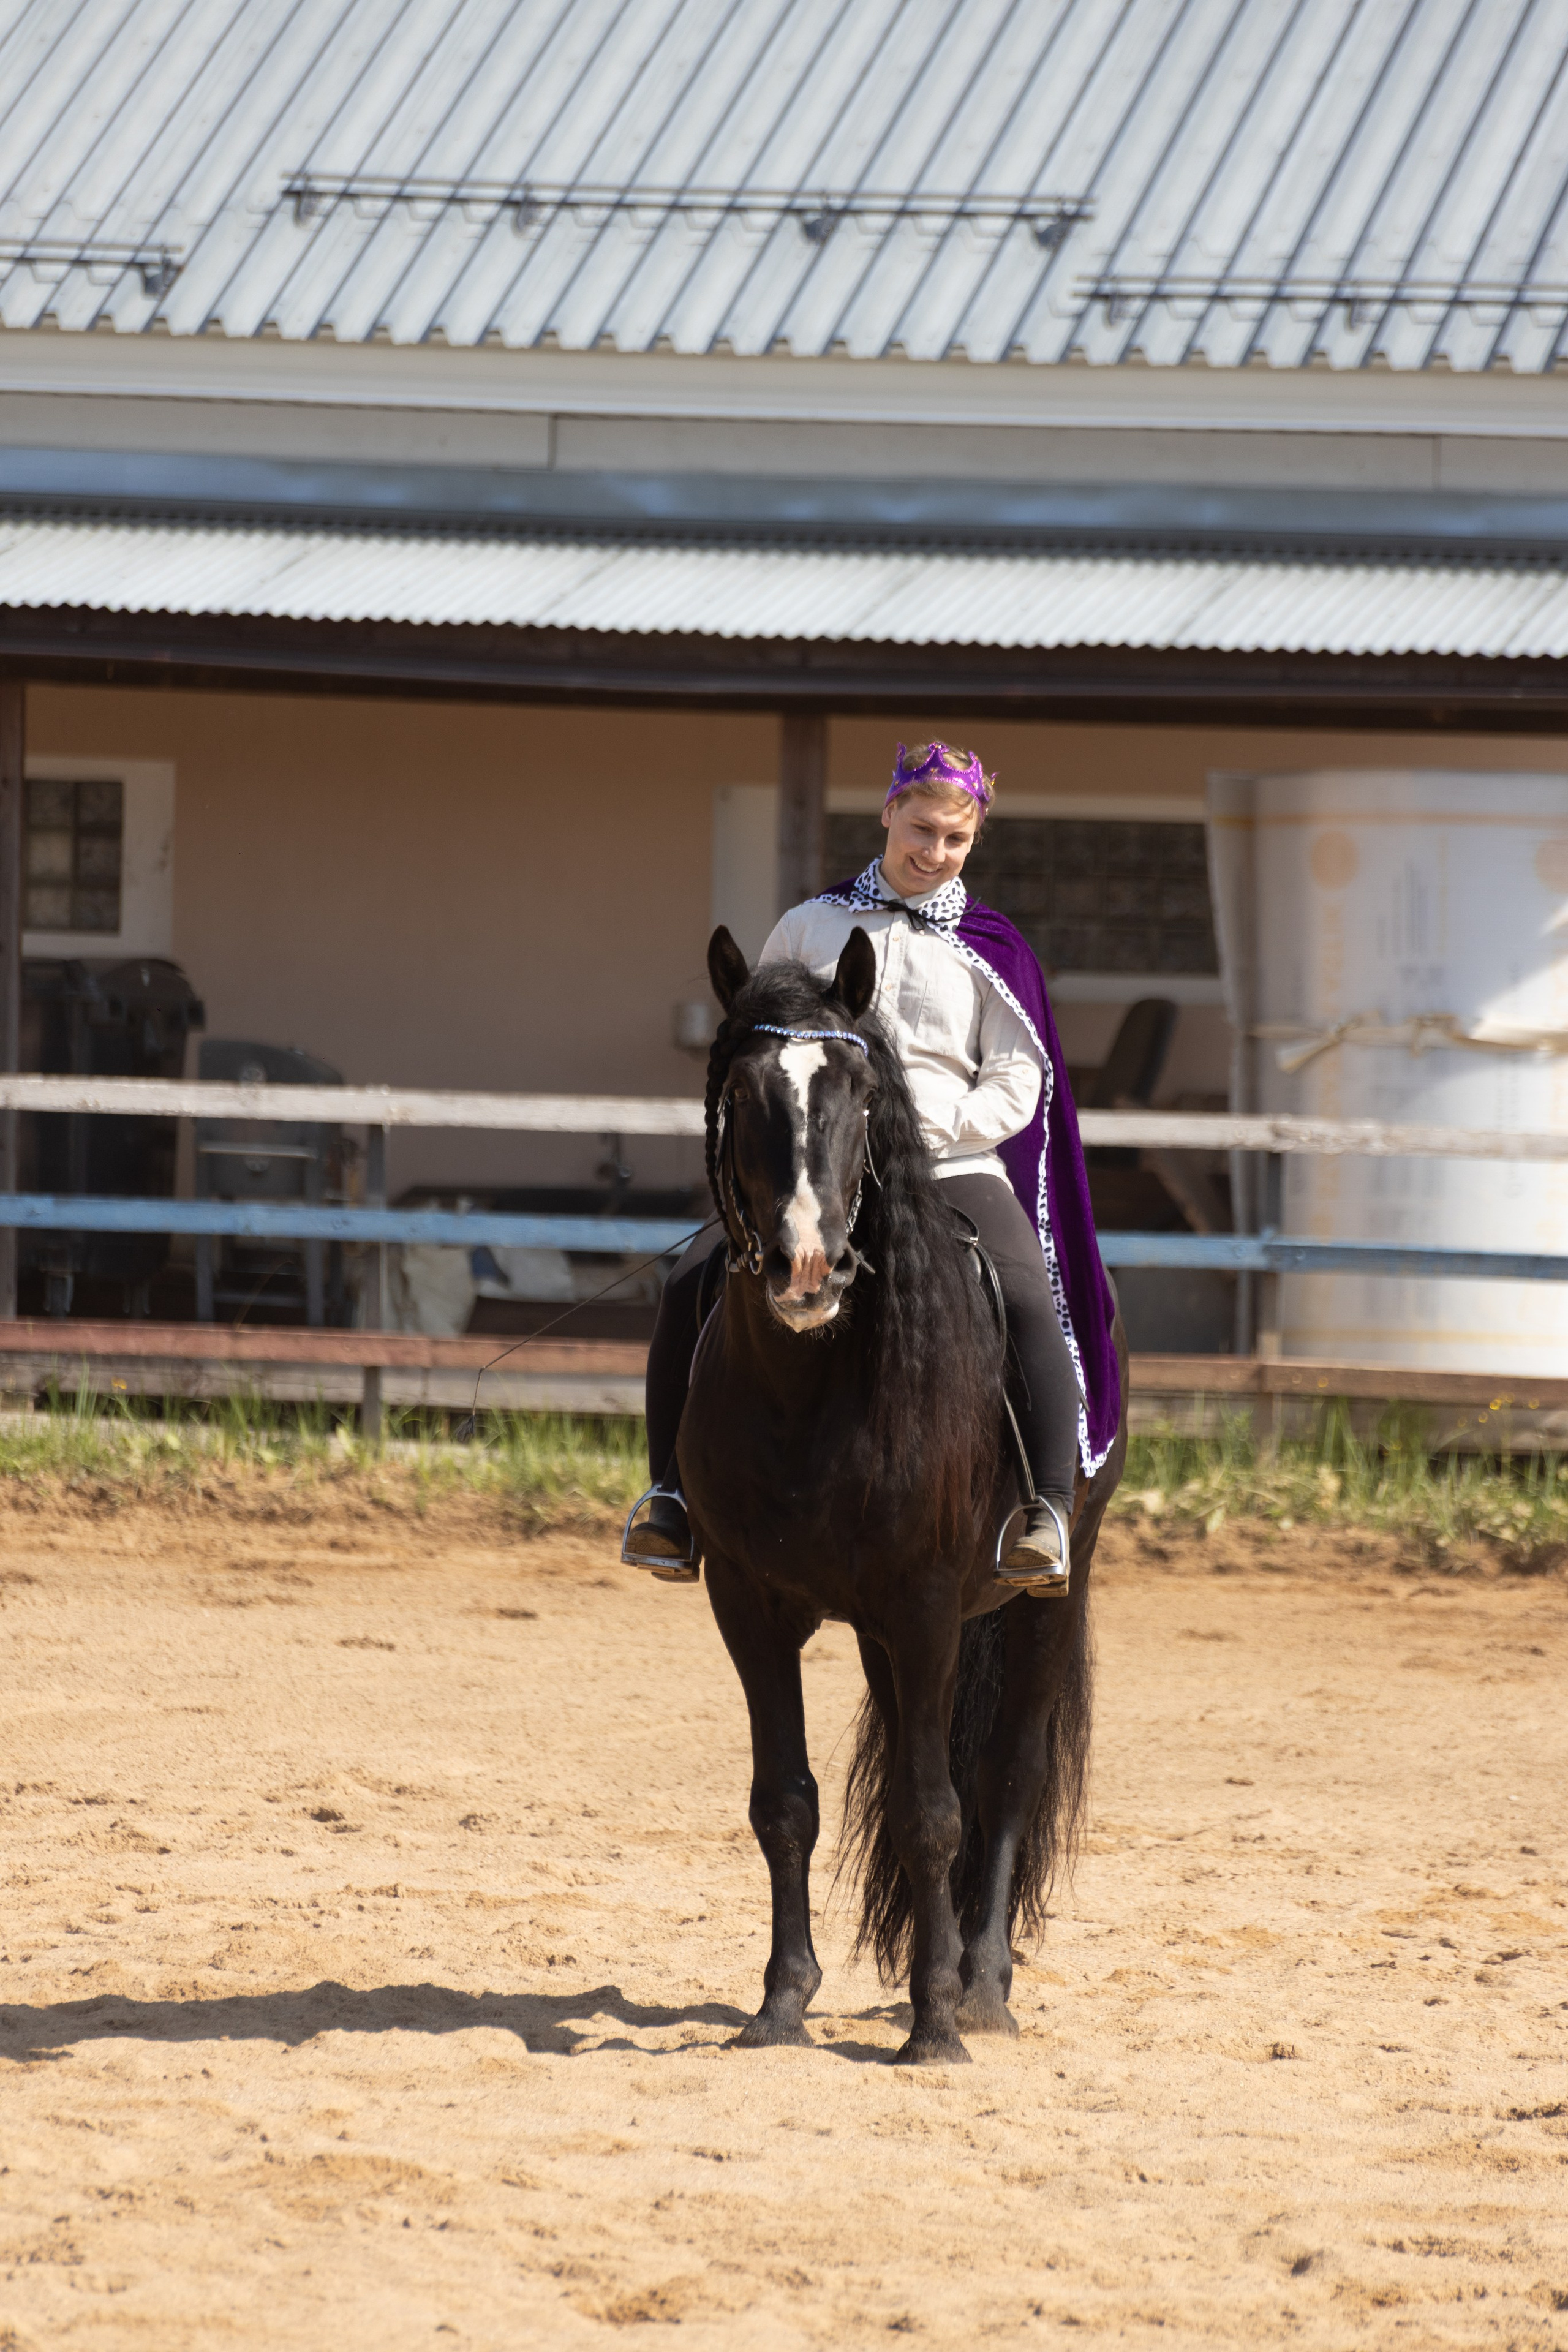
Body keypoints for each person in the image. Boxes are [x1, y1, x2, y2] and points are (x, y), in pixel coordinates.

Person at [627, 739, 1121, 1588]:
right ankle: (670, 1498)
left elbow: (1020, 1074)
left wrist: (938, 1124)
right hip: (816, 1168)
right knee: (686, 1284)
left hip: (950, 1164)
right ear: (888, 813)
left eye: (954, 841)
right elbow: (760, 1048)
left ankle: (1045, 1510)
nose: (933, 851)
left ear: (973, 845)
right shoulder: (809, 927)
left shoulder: (994, 949)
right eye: (921, 828)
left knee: (1030, 1294)